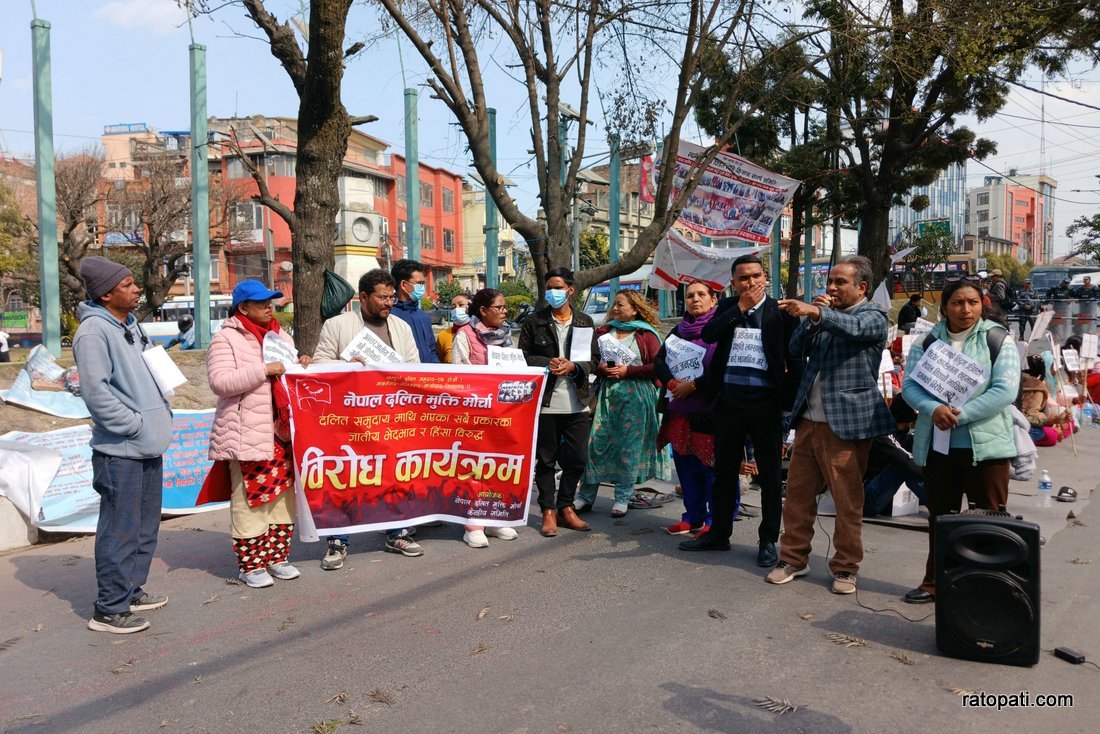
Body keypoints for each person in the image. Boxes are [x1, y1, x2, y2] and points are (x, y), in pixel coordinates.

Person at [770, 255, 895, 594]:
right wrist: (811, 320)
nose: (831, 287)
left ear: (862, 287)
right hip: (809, 421)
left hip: (847, 425)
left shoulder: (873, 316)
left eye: (840, 282)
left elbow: (855, 330)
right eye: (830, 281)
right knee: (796, 496)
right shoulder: (825, 317)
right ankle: (793, 558)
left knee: (846, 500)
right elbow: (796, 348)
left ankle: (845, 567)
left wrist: (818, 313)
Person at [901, 277, 1019, 604]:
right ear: (945, 307)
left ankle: (986, 588)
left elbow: (1005, 391)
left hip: (988, 450)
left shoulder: (999, 340)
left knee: (988, 520)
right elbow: (910, 387)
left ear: (983, 305)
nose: (965, 310)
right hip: (939, 448)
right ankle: (934, 583)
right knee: (941, 518)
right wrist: (932, 408)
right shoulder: (925, 343)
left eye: (972, 303)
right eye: (957, 303)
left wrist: (958, 415)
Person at [679, 255, 801, 567]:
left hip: (765, 405)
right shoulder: (727, 307)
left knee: (771, 476)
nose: (750, 283)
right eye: (743, 278)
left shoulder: (782, 312)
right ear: (733, 282)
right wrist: (741, 308)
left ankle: (768, 540)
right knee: (724, 472)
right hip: (729, 402)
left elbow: (796, 361)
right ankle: (719, 533)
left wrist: (785, 406)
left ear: (765, 278)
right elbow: (709, 334)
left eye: (756, 276)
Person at [73, 256, 173, 634]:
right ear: (105, 293)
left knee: (145, 526)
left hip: (148, 445)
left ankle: (131, 590)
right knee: (120, 529)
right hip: (121, 451)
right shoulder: (93, 333)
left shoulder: (130, 325)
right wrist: (134, 425)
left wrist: (159, 418)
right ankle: (109, 609)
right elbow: (96, 393)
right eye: (128, 284)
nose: (137, 289)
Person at [313, 269, 423, 568]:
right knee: (346, 476)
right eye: (382, 297)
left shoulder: (400, 327)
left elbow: (415, 367)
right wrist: (345, 365)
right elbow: (319, 363)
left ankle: (397, 531)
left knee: (395, 474)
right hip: (350, 420)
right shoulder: (337, 326)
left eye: (391, 297)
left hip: (391, 419)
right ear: (363, 297)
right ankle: (339, 541)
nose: (389, 302)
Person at [205, 281, 312, 588]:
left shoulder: (280, 335)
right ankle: (251, 564)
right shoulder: (225, 339)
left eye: (271, 302)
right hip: (247, 433)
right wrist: (264, 370)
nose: (270, 306)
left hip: (280, 433)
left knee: (282, 498)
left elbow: (287, 372)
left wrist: (301, 365)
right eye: (262, 302)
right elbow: (221, 382)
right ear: (243, 308)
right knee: (251, 500)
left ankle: (277, 557)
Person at [575, 289, 667, 517]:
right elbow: (590, 360)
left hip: (635, 398)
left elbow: (658, 365)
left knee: (629, 448)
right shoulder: (603, 332)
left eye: (620, 305)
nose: (615, 309)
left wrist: (629, 371)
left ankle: (622, 498)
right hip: (607, 396)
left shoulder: (646, 335)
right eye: (614, 304)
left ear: (635, 309)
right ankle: (585, 497)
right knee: (596, 444)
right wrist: (601, 368)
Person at [519, 267, 595, 537]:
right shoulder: (534, 321)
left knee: (577, 458)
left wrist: (574, 367)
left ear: (570, 290)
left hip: (577, 401)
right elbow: (523, 356)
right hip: (546, 402)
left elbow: (593, 359)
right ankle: (548, 511)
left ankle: (567, 508)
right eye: (549, 287)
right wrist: (546, 363)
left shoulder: (585, 322)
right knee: (546, 460)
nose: (553, 292)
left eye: (558, 287)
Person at [449, 288, 521, 547]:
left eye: (504, 307)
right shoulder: (465, 336)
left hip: (504, 415)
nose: (504, 312)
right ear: (483, 310)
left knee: (500, 466)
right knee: (474, 468)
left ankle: (494, 517)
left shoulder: (507, 337)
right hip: (475, 417)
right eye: (499, 307)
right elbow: (459, 378)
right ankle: (473, 523)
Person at [653, 281, 720, 537]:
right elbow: (660, 360)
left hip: (710, 409)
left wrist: (693, 386)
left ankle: (716, 521)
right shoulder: (678, 332)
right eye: (690, 295)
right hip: (680, 411)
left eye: (702, 295)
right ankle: (692, 517)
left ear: (713, 300)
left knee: (714, 469)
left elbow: (722, 368)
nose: (695, 300)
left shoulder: (721, 329)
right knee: (686, 466)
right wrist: (671, 383)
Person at [390, 259, 440, 364]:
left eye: (423, 283)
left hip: (426, 376)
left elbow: (432, 350)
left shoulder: (423, 316)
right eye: (419, 283)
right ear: (404, 285)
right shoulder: (389, 316)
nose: (422, 288)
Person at [436, 292, 471, 363]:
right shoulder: (443, 335)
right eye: (453, 307)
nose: (457, 309)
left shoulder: (479, 333)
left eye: (461, 305)